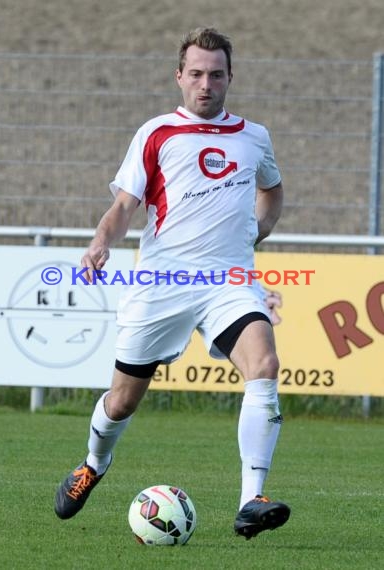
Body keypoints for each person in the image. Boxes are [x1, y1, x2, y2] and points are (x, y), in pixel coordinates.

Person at [55, 27, 290, 540]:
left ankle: (252, 500)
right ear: (179, 76)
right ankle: (93, 463)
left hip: (229, 281)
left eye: (217, 74)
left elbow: (271, 191)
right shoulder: (157, 132)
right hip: (163, 284)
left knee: (265, 364)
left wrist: (258, 230)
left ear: (231, 77)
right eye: (197, 74)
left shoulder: (255, 136)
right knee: (121, 402)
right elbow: (123, 206)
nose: (206, 84)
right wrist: (101, 242)